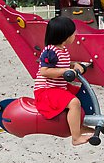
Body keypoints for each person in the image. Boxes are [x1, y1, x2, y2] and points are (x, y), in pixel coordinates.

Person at [33, 16, 93, 146]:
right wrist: (66, 71)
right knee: (74, 103)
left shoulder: (62, 50)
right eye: (73, 33)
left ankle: (79, 125)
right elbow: (45, 71)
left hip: (58, 87)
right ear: (64, 36)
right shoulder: (50, 51)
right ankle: (76, 137)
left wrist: (74, 65)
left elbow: (62, 65)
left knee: (82, 93)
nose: (75, 34)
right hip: (46, 90)